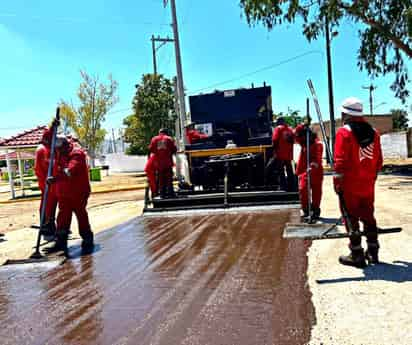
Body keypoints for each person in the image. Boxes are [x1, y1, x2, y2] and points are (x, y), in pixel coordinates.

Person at [334, 97, 383, 268]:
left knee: (350, 216)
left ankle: (356, 254)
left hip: (349, 183)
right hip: (368, 183)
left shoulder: (344, 132)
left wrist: (337, 182)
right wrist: (371, 177)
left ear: (346, 113)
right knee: (368, 214)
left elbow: (339, 161)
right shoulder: (374, 133)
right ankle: (373, 250)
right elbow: (379, 161)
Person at [46, 135, 94, 255]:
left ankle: (87, 238)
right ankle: (60, 242)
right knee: (62, 216)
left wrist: (55, 178)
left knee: (81, 214)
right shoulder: (59, 153)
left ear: (65, 146)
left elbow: (70, 171)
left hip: (78, 192)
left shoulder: (77, 154)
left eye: (59, 149)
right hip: (64, 192)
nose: (58, 152)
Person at [294, 124, 324, 220]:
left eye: (299, 136)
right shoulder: (303, 142)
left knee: (316, 192)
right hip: (304, 171)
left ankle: (315, 210)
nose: (298, 139)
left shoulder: (317, 144)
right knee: (303, 190)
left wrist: (312, 165)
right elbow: (294, 137)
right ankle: (306, 209)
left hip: (315, 171)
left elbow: (317, 158)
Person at [34, 127, 58, 240]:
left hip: (52, 185)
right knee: (47, 208)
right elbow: (43, 167)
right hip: (47, 185)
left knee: (52, 209)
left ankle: (53, 229)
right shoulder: (42, 149)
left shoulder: (50, 149)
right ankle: (48, 232)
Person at [149, 129, 177, 198]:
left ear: (159, 133)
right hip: (168, 162)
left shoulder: (154, 139)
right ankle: (171, 194)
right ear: (166, 133)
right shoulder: (169, 138)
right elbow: (174, 149)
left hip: (158, 163)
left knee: (161, 179)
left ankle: (162, 194)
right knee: (169, 179)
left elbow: (151, 149)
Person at [271, 117, 295, 191]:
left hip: (280, 154)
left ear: (279, 122)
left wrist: (274, 150)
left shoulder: (278, 128)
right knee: (289, 170)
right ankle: (292, 186)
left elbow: (274, 140)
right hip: (289, 155)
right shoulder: (290, 130)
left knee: (280, 171)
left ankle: (283, 186)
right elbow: (293, 140)